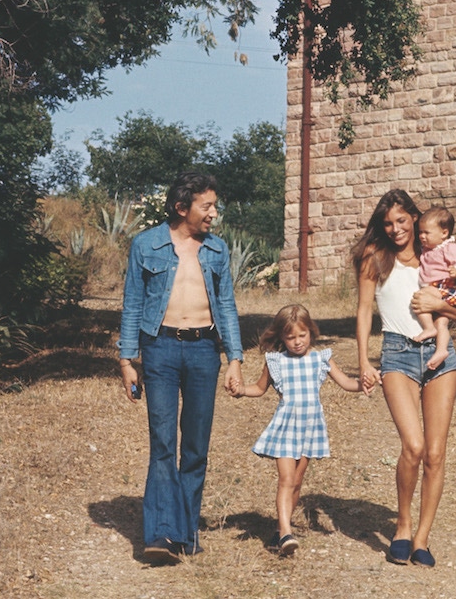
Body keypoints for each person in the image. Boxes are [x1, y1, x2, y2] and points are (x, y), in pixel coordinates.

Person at [118, 171, 244, 565]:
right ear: (181, 207)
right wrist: (126, 358)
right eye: (206, 206)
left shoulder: (217, 249)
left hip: (204, 350)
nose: (213, 213)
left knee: (195, 445)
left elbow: (226, 306)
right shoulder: (146, 244)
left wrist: (234, 359)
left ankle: (186, 533)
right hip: (160, 349)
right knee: (162, 443)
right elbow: (133, 303)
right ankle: (158, 535)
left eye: (214, 206)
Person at [351, 189, 456, 568]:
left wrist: (440, 305)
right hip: (397, 354)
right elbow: (364, 311)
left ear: (415, 220)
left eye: (402, 221)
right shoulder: (375, 258)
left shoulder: (433, 256)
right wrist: (364, 362)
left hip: (440, 357)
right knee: (413, 446)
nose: (396, 228)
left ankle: (421, 539)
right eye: (388, 223)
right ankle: (402, 527)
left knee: (435, 453)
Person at [229, 304, 365, 556]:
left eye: (302, 335)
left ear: (311, 332)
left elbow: (347, 383)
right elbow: (259, 388)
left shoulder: (320, 358)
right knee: (286, 480)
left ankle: (280, 534)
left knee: (297, 483)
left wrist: (366, 383)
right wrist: (240, 391)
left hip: (310, 428)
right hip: (286, 428)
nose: (297, 342)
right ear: (281, 337)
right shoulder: (276, 362)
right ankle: (286, 531)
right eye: (290, 337)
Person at [412, 206, 456, 370]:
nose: (422, 236)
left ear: (444, 233)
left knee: (420, 297)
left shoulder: (450, 247)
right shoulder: (427, 249)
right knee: (442, 323)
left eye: (427, 233)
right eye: (420, 232)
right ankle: (441, 350)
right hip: (440, 289)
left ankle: (428, 328)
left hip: (448, 285)